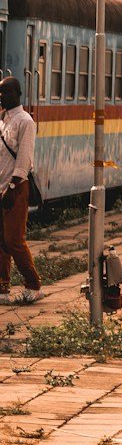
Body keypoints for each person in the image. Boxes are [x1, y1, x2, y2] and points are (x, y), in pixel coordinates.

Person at [0, 76, 38, 304]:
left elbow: (24, 160)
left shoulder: (26, 121)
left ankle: (33, 284)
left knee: (14, 240)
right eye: (0, 92)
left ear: (18, 93)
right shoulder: (3, 121)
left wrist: (12, 188)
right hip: (1, 187)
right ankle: (3, 287)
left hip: (15, 188)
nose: (2, 96)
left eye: (6, 92)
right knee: (1, 241)